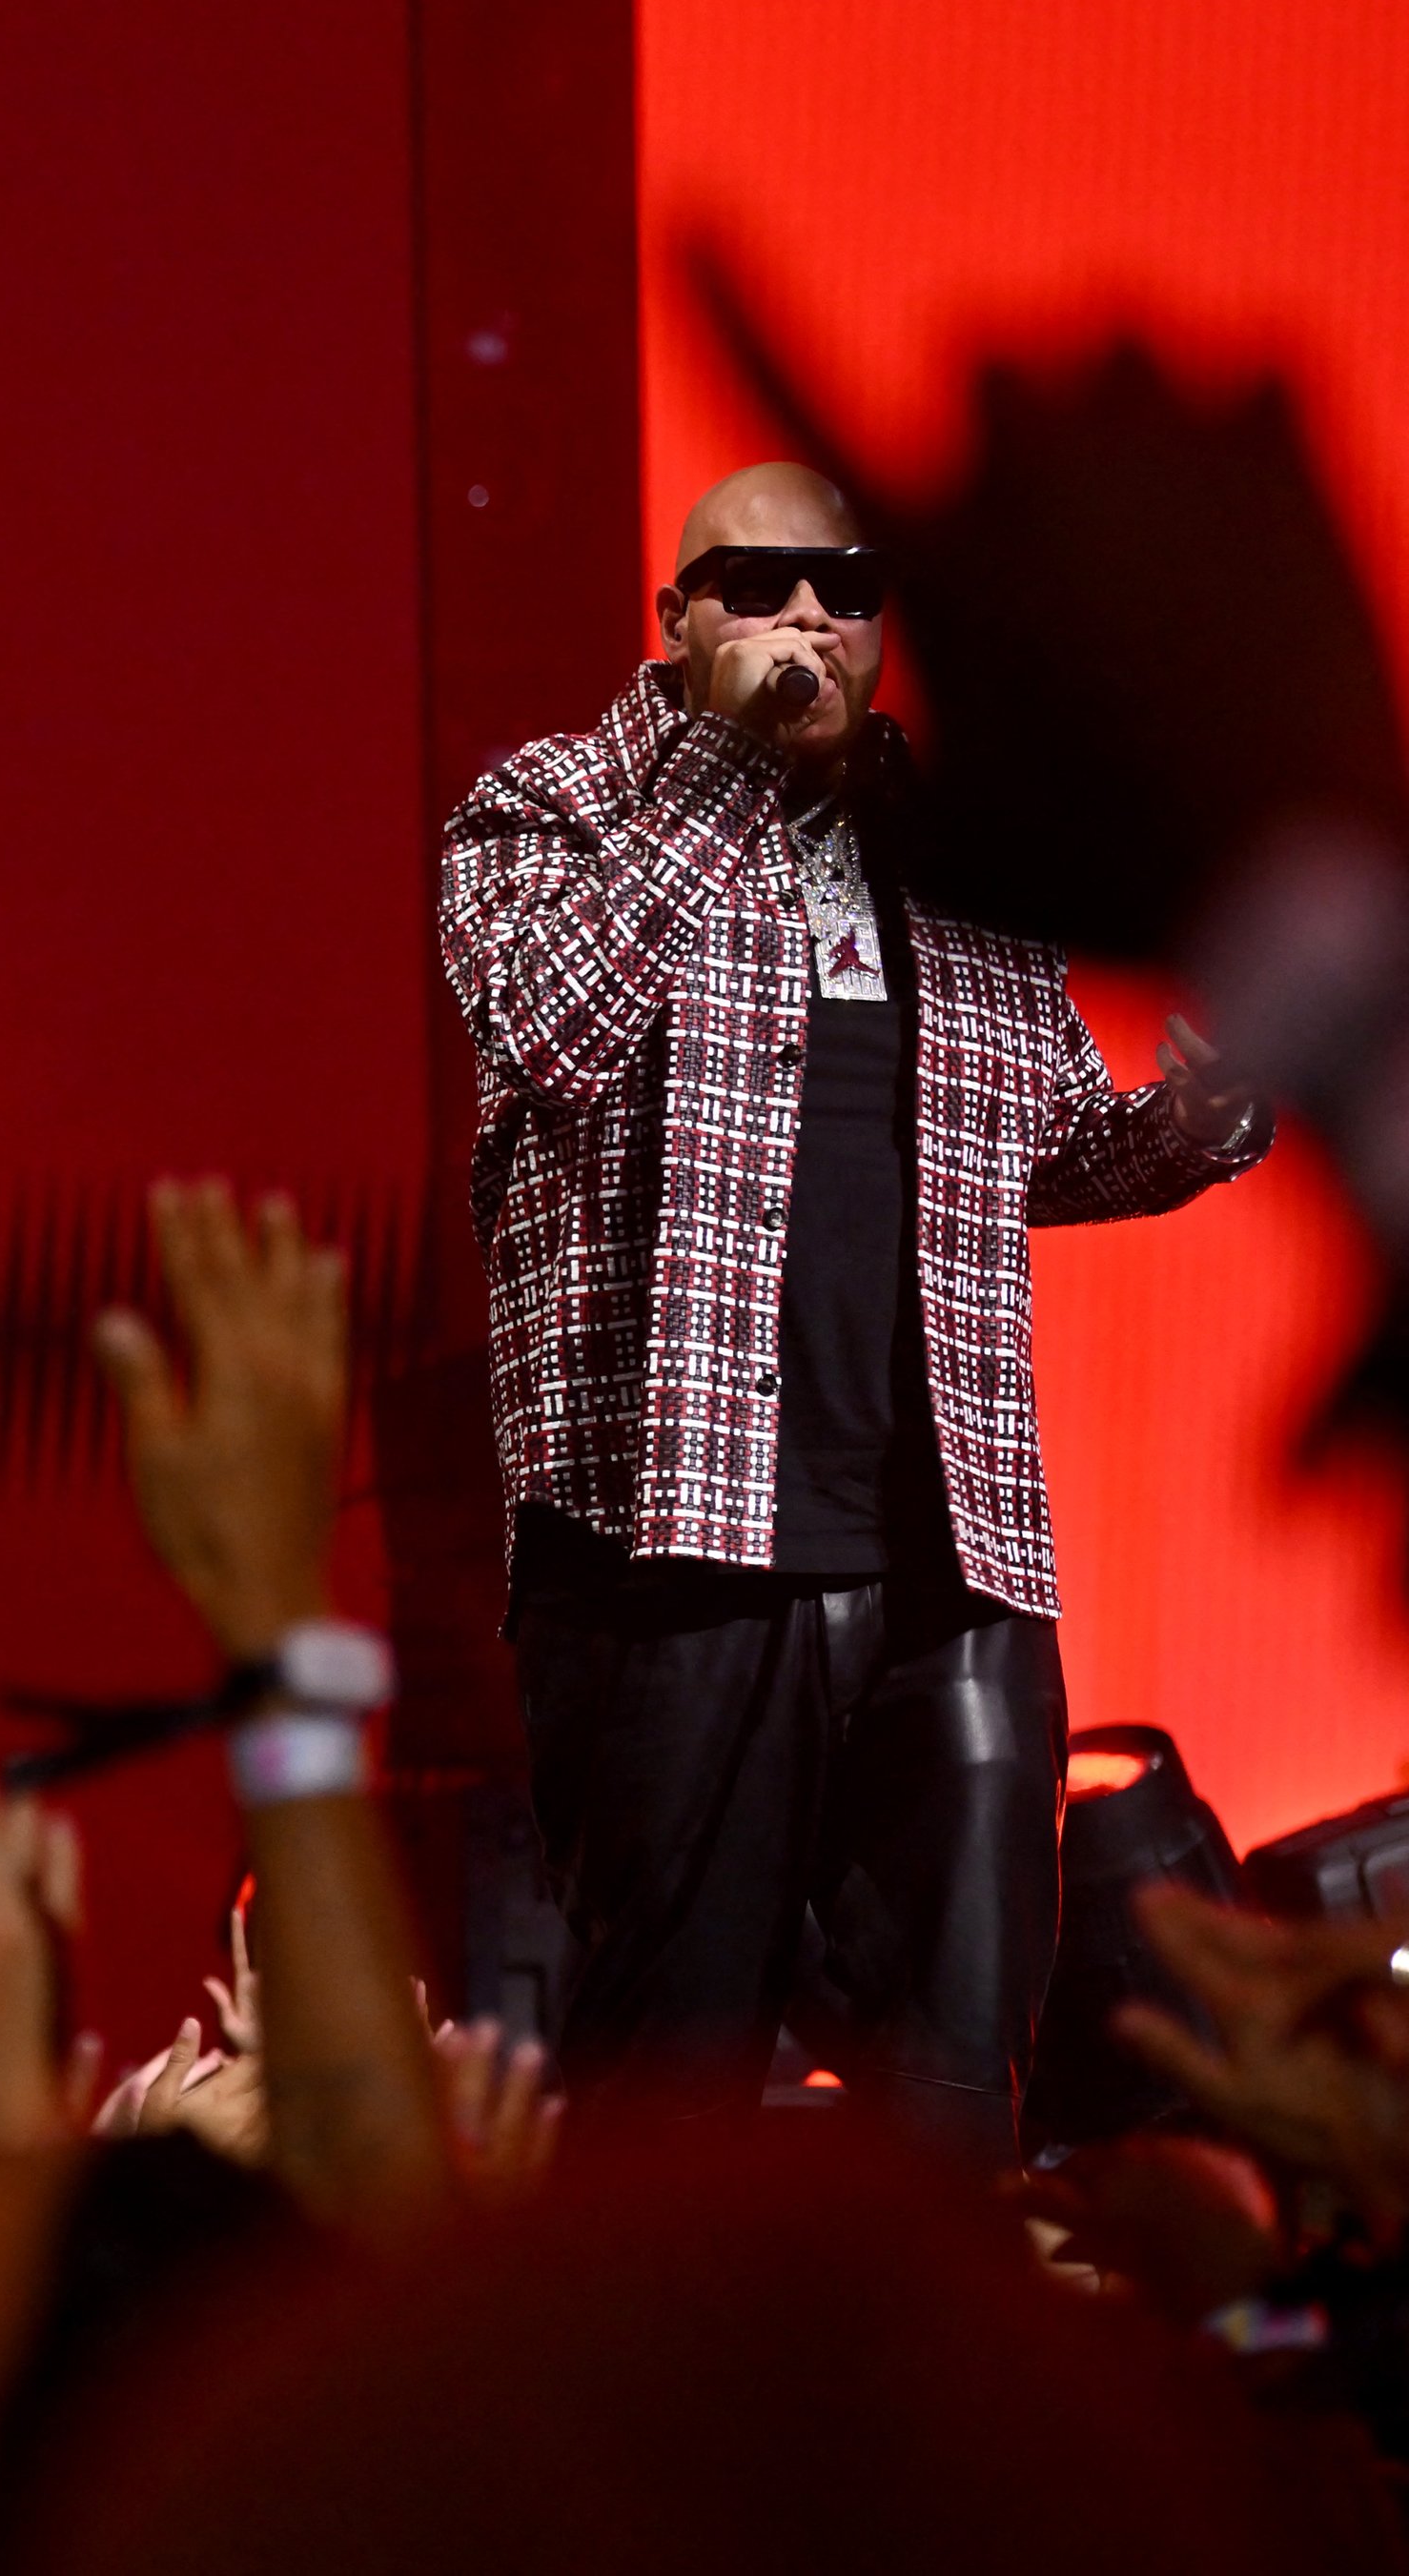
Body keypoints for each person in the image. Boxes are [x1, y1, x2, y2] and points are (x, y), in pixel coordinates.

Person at [437, 462, 1271, 2168]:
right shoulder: (551, 809)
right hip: (670, 1547)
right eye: (758, 578)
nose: (810, 610)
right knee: (669, 2096)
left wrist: (1197, 1125)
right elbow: (545, 1026)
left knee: (962, 2083)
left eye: (847, 579)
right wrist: (725, 776)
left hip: (946, 1551)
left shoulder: (958, 850)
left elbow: (1036, 1147)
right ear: (675, 620)